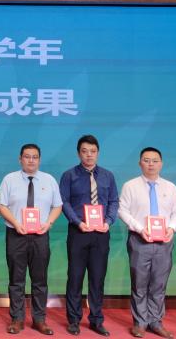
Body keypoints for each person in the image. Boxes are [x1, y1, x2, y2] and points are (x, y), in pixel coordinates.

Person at [118, 147, 176, 339]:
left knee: (159, 283)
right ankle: (140, 323)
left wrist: (171, 228)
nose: (151, 164)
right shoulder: (130, 186)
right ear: (140, 163)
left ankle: (155, 321)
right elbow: (122, 210)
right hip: (139, 240)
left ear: (161, 164)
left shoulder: (170, 187)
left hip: (164, 242)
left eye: (155, 161)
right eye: (146, 160)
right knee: (139, 283)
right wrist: (140, 228)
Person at [0, 144, 60, 336]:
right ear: (20, 159)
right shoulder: (9, 179)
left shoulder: (49, 180)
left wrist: (48, 223)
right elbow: (1, 205)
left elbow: (57, 205)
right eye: (27, 156)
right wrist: (16, 223)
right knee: (16, 279)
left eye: (35, 157)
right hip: (16, 234)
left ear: (39, 159)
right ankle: (17, 319)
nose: (31, 160)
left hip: (40, 235)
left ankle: (39, 319)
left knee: (40, 280)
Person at [58, 134, 117, 337]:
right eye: (85, 151)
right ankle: (74, 320)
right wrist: (78, 222)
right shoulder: (69, 175)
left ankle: (96, 320)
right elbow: (64, 202)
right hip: (78, 232)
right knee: (75, 277)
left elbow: (114, 201)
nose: (89, 155)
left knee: (97, 278)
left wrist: (108, 222)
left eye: (93, 151)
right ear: (78, 153)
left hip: (101, 233)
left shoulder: (108, 176)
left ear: (98, 153)